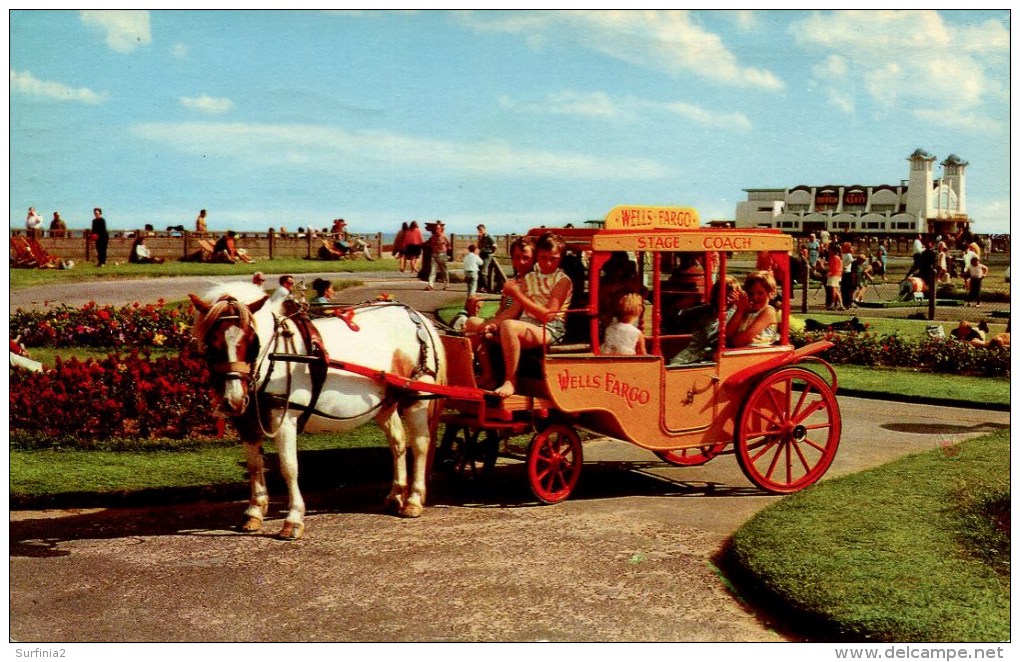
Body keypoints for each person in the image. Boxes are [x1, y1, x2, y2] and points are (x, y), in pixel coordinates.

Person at [492, 232, 572, 397]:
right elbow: (514, 309)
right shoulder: (530, 277)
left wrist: (517, 294)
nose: (548, 263)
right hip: (528, 324)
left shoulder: (562, 280)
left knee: (509, 326)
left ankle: (510, 381)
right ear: (537, 256)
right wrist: (493, 324)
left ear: (561, 258)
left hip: (550, 328)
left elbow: (548, 315)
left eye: (553, 258)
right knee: (486, 332)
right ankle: (488, 377)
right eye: (543, 258)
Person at [464, 235, 537, 387]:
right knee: (471, 322)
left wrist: (491, 324)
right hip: (505, 322)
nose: (520, 262)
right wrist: (489, 317)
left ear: (534, 259)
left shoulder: (530, 281)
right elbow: (503, 308)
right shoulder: (514, 280)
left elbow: (514, 312)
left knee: (477, 326)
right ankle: (487, 373)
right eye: (516, 257)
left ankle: (499, 378)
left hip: (518, 327)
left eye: (526, 258)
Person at [668, 276, 740, 366]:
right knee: (674, 366)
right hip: (694, 353)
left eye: (730, 295)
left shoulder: (736, 315)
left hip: (717, 357)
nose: (725, 299)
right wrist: (679, 306)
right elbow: (676, 316)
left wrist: (737, 307)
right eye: (722, 295)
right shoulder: (703, 311)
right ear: (715, 294)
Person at [726, 271, 778, 348]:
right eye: (751, 293)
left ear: (771, 294)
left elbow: (740, 341)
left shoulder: (768, 311)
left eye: (760, 293)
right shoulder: (746, 311)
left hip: (759, 354)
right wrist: (740, 310)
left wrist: (732, 340)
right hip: (740, 353)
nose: (755, 297)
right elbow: (726, 335)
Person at [426, 221, 451, 291]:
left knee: (444, 270)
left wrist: (447, 252)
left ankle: (446, 284)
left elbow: (449, 245)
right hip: (434, 255)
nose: (436, 230)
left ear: (441, 229)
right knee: (433, 270)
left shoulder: (444, 237)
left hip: (442, 254)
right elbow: (430, 244)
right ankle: (430, 285)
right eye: (436, 229)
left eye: (438, 228)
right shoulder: (433, 237)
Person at [476, 224, 497, 292]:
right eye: (479, 230)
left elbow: (494, 245)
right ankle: (480, 287)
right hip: (482, 253)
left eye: (481, 230)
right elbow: (479, 247)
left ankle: (486, 287)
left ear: (484, 229)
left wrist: (493, 253)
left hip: (488, 253)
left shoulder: (489, 236)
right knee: (479, 270)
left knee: (483, 271)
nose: (480, 231)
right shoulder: (481, 237)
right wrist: (479, 239)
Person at [825, 245, 843, 310]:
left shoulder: (836, 258)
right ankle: (840, 304)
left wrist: (830, 273)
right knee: (836, 290)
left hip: (834, 275)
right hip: (834, 275)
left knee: (834, 290)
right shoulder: (833, 257)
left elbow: (835, 268)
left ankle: (833, 304)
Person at [839, 242, 855, 308]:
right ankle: (844, 301)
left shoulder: (848, 255)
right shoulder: (842, 254)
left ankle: (848, 302)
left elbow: (851, 260)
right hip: (842, 272)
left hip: (847, 272)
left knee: (847, 289)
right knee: (843, 289)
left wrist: (844, 265)